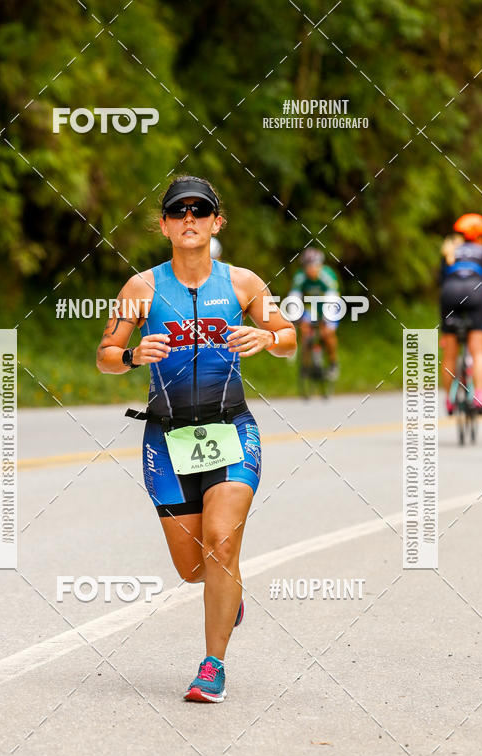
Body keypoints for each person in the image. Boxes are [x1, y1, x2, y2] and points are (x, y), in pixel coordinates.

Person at [96, 175, 296, 702]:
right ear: (163, 225)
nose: (190, 220)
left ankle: (212, 665)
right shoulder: (140, 289)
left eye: (200, 212)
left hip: (231, 427)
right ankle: (225, 595)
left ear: (216, 222)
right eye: (178, 212)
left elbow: (288, 339)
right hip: (166, 436)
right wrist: (132, 355)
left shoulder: (244, 284)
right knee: (194, 568)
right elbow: (105, 355)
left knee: (222, 544)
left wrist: (268, 336)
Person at [440, 213, 482, 414]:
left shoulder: (449, 251)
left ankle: (449, 400)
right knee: (478, 351)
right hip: (475, 295)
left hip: (449, 295)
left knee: (449, 354)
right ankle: (479, 396)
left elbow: (442, 287)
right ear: (481, 236)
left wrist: (443, 331)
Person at [288, 248, 341, 381]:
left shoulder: (327, 275)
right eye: (307, 267)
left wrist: (327, 319)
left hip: (330, 305)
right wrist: (295, 318)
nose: (310, 270)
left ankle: (333, 363)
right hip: (312, 307)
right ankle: (305, 365)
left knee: (327, 333)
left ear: (320, 265)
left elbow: (333, 298)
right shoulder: (300, 277)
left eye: (313, 266)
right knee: (305, 330)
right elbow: (294, 298)